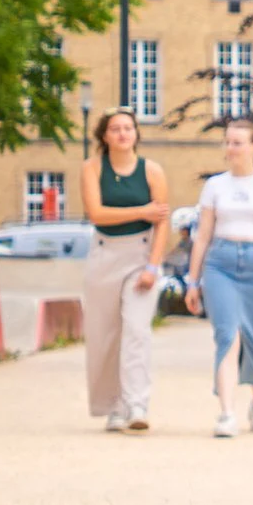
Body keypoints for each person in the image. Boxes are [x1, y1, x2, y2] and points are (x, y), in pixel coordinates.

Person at [182, 118, 253, 439]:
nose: (231, 148)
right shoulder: (215, 185)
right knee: (227, 335)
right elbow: (202, 236)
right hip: (221, 264)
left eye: (238, 143)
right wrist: (193, 280)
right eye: (228, 142)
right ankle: (226, 413)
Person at [79, 108, 171, 432]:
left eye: (128, 128)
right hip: (104, 255)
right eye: (115, 129)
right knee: (105, 334)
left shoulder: (152, 171)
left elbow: (162, 221)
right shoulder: (92, 169)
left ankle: (136, 403)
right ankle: (112, 405)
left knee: (137, 329)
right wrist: (141, 210)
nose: (122, 134)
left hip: (140, 254)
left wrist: (153, 266)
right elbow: (97, 214)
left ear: (136, 134)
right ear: (104, 136)